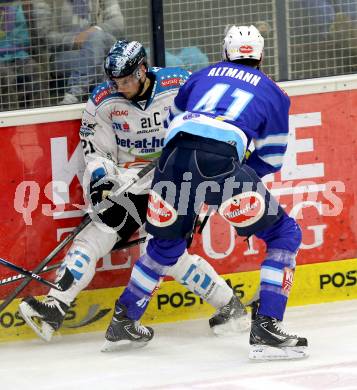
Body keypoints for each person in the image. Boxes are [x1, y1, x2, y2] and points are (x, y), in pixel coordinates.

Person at [19, 39, 249, 342]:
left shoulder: (178, 84)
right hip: (128, 183)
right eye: (115, 81)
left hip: (174, 182)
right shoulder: (103, 99)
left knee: (162, 254)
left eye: (126, 79)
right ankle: (54, 308)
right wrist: (101, 184)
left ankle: (229, 305)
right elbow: (96, 152)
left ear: (142, 70)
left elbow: (211, 122)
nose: (121, 86)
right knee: (92, 237)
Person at [103, 26, 308, 361]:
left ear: (225, 52)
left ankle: (123, 320)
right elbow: (270, 157)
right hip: (219, 160)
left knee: (165, 245)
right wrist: (228, 184)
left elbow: (172, 125)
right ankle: (267, 325)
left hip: (171, 160)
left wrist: (200, 184)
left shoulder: (200, 76)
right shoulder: (274, 93)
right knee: (285, 233)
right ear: (261, 56)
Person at [31, 0, 125, 105]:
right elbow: (44, 36)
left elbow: (118, 23)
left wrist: (92, 32)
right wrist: (75, 40)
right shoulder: (45, 2)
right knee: (103, 67)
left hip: (101, 46)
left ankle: (74, 93)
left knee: (96, 39)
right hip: (65, 53)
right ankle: (108, 98)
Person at [0, 0, 40, 111]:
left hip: (18, 55)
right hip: (4, 60)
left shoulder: (15, 9)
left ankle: (38, 112)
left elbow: (24, 39)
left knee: (34, 69)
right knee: (7, 76)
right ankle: (11, 116)